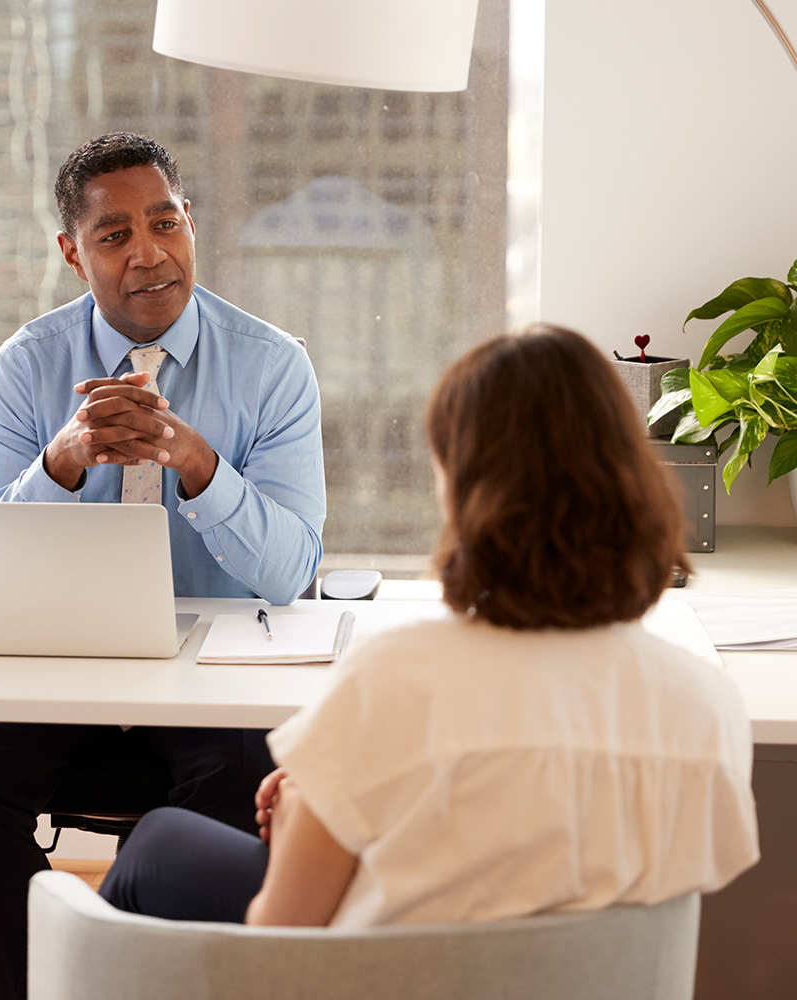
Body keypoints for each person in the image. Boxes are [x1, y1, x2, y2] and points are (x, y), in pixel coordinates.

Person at [98, 325, 760, 930]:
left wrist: (307, 807)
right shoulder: (706, 704)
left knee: (156, 845)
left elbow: (280, 939)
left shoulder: (400, 678)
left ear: (468, 490)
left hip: (393, 973)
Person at [0, 133, 326, 1000]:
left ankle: (144, 983)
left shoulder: (274, 366)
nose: (149, 253)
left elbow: (290, 570)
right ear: (72, 252)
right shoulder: (28, 366)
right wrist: (60, 466)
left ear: (191, 225)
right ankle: (36, 987)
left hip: (213, 680)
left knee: (239, 795)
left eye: (165, 222)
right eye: (114, 235)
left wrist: (201, 468)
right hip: (60, 667)